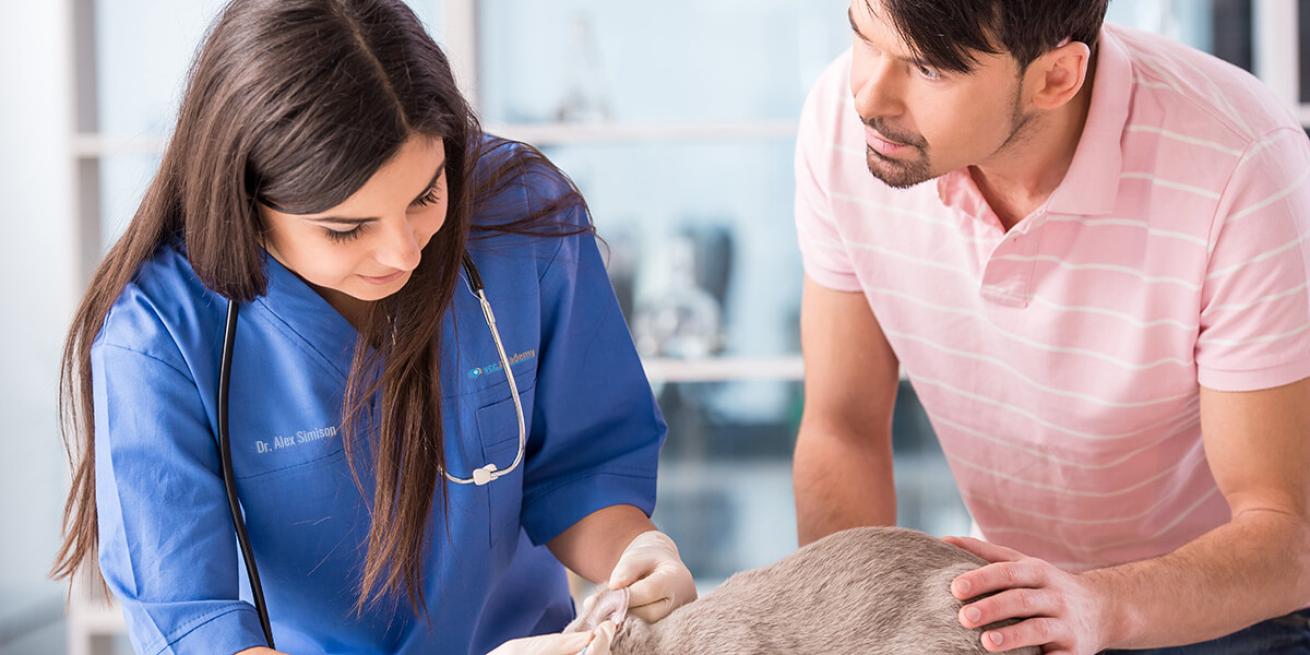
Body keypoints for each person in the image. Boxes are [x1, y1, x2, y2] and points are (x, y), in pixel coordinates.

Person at [50, 1, 696, 653]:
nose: (405, 252)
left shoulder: (522, 213)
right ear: (246, 202)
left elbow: (582, 471)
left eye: (426, 195)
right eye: (346, 228)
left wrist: (636, 551)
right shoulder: (158, 333)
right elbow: (193, 622)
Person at [792, 1, 1310, 653]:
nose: (867, 96)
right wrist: (838, 634)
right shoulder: (846, 129)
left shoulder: (1242, 162)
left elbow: (1290, 535)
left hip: (1232, 613)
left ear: (1055, 78)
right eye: (863, 40)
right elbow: (843, 428)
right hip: (1021, 601)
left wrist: (1100, 605)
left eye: (927, 69)